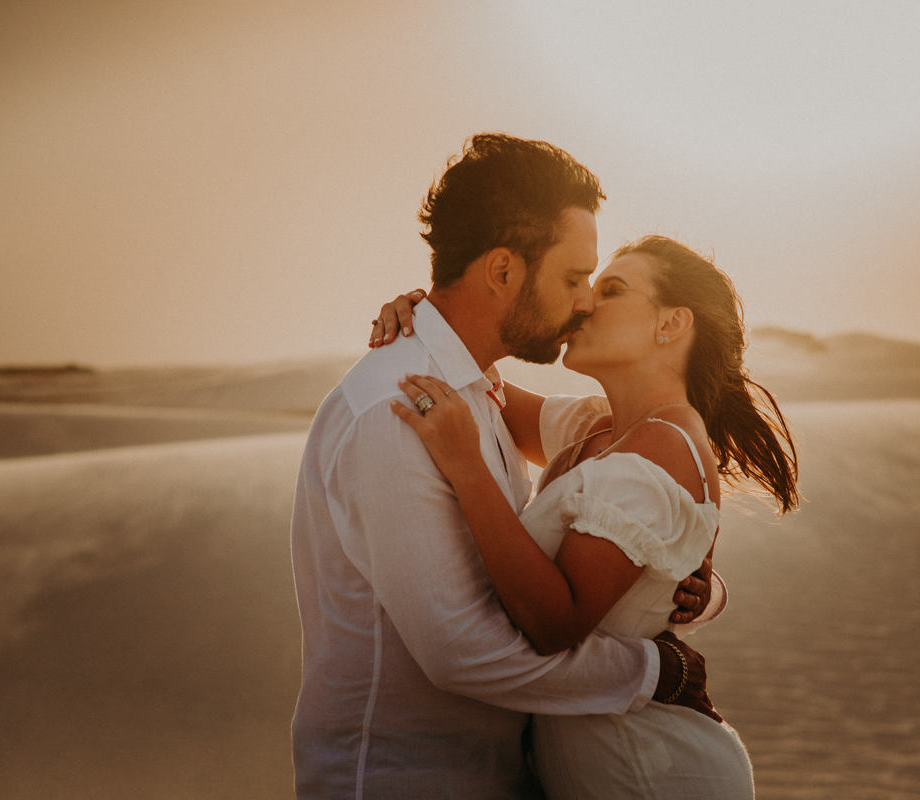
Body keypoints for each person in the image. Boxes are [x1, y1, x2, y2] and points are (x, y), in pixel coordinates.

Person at [290, 134, 720, 799]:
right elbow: (463, 652)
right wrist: (653, 671)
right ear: (501, 272)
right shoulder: (401, 408)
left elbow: (641, 495)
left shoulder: (473, 392)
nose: (584, 302)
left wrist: (694, 587)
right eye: (574, 279)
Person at [378, 235, 799, 797]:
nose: (582, 305)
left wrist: (468, 470)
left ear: (671, 324)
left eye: (612, 290)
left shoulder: (663, 449)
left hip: (652, 773)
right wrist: (428, 322)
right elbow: (477, 381)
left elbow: (555, 623)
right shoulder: (599, 429)